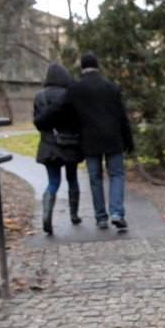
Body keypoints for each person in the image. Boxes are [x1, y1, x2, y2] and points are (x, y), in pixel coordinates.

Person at [40, 52, 134, 230]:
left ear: (82, 68)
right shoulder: (112, 87)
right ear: (97, 66)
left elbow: (58, 108)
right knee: (116, 175)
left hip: (90, 140)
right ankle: (117, 212)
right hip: (113, 139)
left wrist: (40, 121)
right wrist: (129, 141)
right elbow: (123, 117)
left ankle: (100, 217)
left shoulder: (75, 88)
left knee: (95, 178)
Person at [33, 63, 85, 235]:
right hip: (69, 144)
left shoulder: (40, 97)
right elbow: (78, 121)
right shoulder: (69, 96)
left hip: (49, 146)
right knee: (72, 178)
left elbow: (38, 123)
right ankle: (74, 215)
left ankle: (47, 215)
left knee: (53, 181)